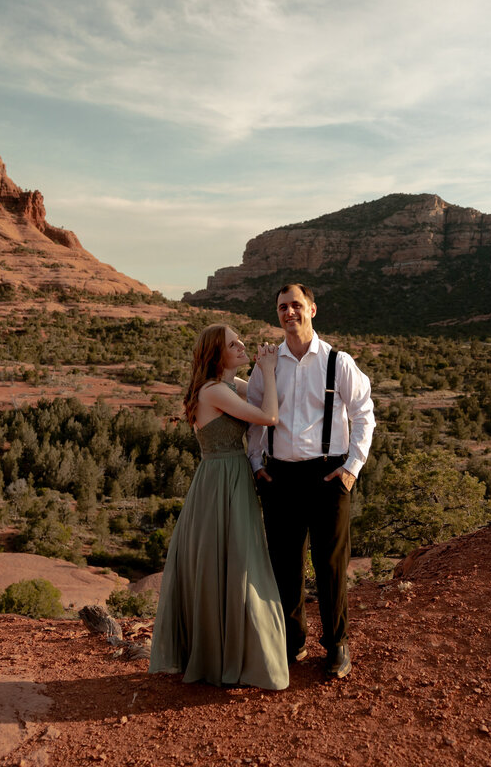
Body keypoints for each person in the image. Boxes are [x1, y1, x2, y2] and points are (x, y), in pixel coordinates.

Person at [149, 324, 289, 690]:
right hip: (219, 480)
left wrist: (264, 368)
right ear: (217, 354)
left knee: (235, 560)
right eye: (233, 344)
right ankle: (225, 657)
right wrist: (269, 370)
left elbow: (261, 398)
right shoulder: (213, 391)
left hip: (231, 477)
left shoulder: (229, 386)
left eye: (240, 340)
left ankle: (236, 652)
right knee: (233, 561)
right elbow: (268, 416)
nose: (241, 345)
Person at [247, 283, 375, 679]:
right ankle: (292, 642)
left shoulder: (339, 362)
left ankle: (337, 645)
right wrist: (256, 464)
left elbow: (364, 413)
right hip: (279, 476)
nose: (290, 313)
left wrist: (352, 468)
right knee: (284, 565)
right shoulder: (267, 363)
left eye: (296, 305)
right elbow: (253, 414)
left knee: (330, 564)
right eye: (283, 307)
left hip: (328, 474)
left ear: (313, 309)